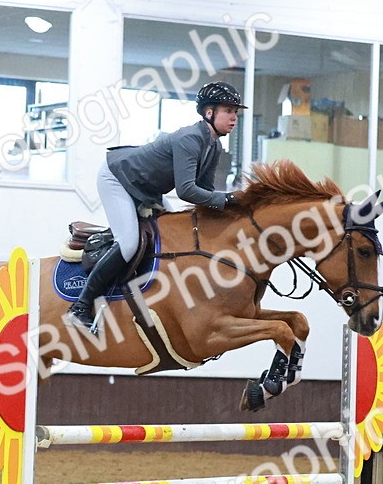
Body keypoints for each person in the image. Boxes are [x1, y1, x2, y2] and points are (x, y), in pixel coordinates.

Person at [65, 81, 248, 334]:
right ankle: (80, 307)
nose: (234, 118)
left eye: (235, 112)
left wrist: (232, 208)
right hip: (117, 177)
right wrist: (226, 199)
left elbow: (202, 192)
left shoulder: (214, 146)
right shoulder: (190, 139)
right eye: (228, 111)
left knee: (172, 233)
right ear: (209, 112)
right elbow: (185, 190)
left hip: (147, 189)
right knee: (128, 243)